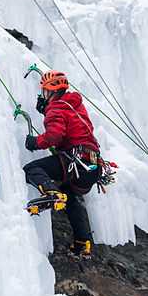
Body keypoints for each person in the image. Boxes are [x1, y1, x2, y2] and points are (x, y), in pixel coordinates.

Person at [23, 70, 102, 257]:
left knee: (31, 169)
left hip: (77, 161)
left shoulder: (57, 107)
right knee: (70, 195)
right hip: (92, 166)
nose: (43, 96)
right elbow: (71, 130)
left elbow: (54, 135)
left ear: (51, 91)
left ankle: (51, 193)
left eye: (44, 92)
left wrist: (35, 142)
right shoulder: (75, 106)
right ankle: (82, 243)